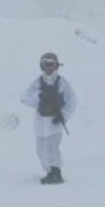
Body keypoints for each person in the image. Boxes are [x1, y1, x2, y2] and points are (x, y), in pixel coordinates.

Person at [20, 52, 77, 184]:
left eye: (52, 64)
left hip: (55, 122)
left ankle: (56, 173)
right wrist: (39, 96)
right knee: (40, 150)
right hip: (40, 122)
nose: (49, 66)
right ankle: (49, 172)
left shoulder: (62, 83)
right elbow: (25, 98)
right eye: (46, 63)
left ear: (56, 65)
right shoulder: (38, 82)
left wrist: (64, 116)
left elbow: (72, 101)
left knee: (52, 149)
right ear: (42, 65)